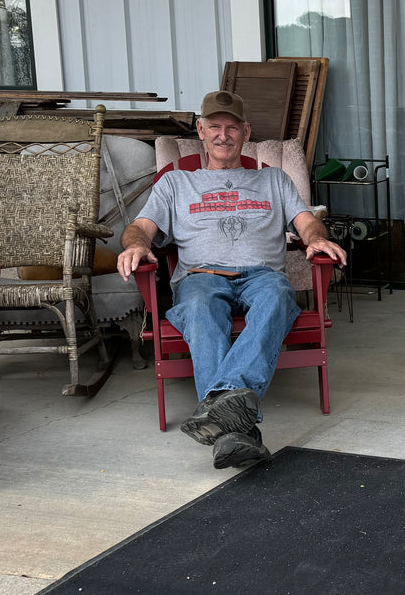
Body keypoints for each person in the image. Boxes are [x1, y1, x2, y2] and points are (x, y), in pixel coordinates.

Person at [117, 90, 348, 468]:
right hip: (201, 278)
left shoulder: (274, 180)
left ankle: (223, 423)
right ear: (201, 131)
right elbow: (139, 228)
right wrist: (136, 245)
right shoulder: (175, 185)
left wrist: (317, 238)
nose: (223, 135)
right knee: (201, 307)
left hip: (262, 276)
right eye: (215, 127)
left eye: (232, 128)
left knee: (278, 297)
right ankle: (236, 430)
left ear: (246, 132)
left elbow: (306, 223)